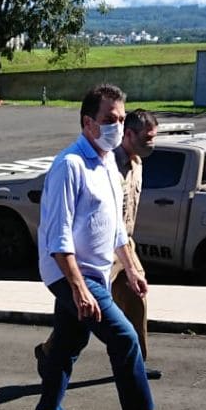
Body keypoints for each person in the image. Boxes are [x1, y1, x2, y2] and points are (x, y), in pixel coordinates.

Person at [32, 85, 183, 410]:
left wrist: (131, 267)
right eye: (108, 120)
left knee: (68, 345)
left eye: (120, 118)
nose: (117, 126)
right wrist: (79, 288)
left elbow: (115, 227)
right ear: (88, 123)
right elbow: (58, 237)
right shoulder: (70, 166)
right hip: (72, 274)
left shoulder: (107, 165)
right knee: (124, 337)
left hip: (95, 272)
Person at [35, 107, 162, 379]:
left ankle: (136, 363)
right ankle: (50, 353)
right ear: (129, 134)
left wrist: (131, 263)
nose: (151, 144)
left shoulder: (137, 163)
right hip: (94, 251)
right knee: (78, 323)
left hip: (122, 244)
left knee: (136, 301)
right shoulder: (103, 160)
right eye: (147, 138)